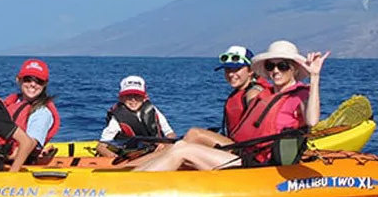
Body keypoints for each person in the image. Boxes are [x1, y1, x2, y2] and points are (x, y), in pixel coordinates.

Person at [132, 40, 329, 171]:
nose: (275, 71)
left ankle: (131, 186)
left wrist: (315, 76)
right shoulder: (268, 94)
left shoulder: (300, 95)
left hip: (259, 165)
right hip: (244, 154)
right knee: (183, 144)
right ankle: (129, 177)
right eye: (271, 66)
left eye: (283, 66)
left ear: (293, 69)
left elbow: (312, 120)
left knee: (184, 150)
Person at [182, 45, 270, 147]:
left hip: (244, 149)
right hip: (235, 143)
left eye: (237, 69)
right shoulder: (241, 91)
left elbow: (261, 122)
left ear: (250, 70)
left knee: (194, 134)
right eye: (228, 70)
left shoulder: (253, 92)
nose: (231, 74)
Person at [96, 75, 176, 158]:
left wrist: (165, 143)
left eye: (138, 96)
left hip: (157, 150)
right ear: (121, 98)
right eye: (128, 96)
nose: (133, 99)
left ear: (145, 98)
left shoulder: (154, 111)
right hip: (133, 153)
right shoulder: (117, 118)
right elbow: (101, 145)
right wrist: (113, 157)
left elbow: (170, 134)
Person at [2, 59, 61, 159]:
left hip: (18, 161)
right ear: (18, 79)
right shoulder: (12, 103)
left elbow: (28, 147)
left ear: (45, 84)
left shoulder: (42, 113)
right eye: (28, 79)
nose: (33, 84)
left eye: (39, 81)